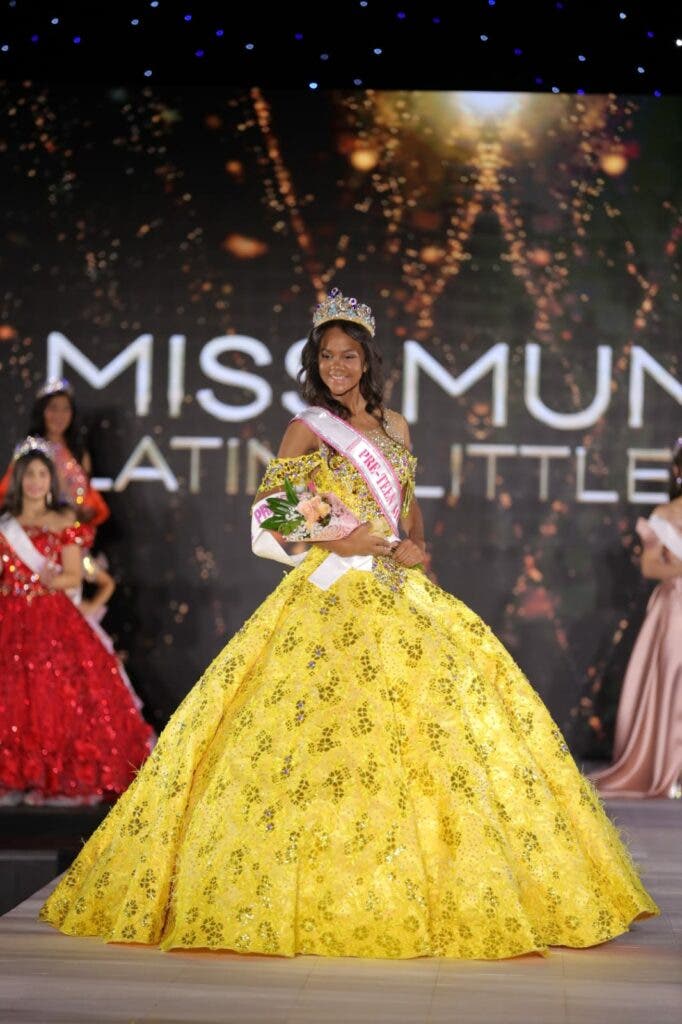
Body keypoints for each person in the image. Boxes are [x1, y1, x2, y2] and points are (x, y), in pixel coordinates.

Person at [40, 289, 658, 959]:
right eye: (327, 356)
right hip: (331, 591)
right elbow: (272, 512)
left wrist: (418, 550)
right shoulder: (308, 424)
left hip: (400, 588)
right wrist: (348, 539)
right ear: (316, 360)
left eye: (349, 356)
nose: (338, 366)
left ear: (367, 359)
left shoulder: (396, 424)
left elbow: (409, 511)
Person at [0, 437, 154, 806]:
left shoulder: (63, 520)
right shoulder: (6, 525)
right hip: (11, 617)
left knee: (54, 696)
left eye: (42, 474)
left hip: (50, 618)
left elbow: (74, 575)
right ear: (19, 479)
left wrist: (50, 580)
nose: (36, 482)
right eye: (30, 475)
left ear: (51, 481)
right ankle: (16, 775)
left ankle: (51, 777)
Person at [590, 438, 682, 799]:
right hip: (675, 606)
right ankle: (670, 769)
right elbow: (649, 565)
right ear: (677, 471)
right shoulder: (665, 514)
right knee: (675, 682)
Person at [0, 377, 110, 528]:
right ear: (42, 411)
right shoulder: (29, 450)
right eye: (53, 408)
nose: (60, 415)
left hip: (73, 532)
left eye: (66, 408)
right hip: (36, 536)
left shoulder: (79, 451)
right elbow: (9, 494)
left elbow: (88, 500)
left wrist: (82, 515)